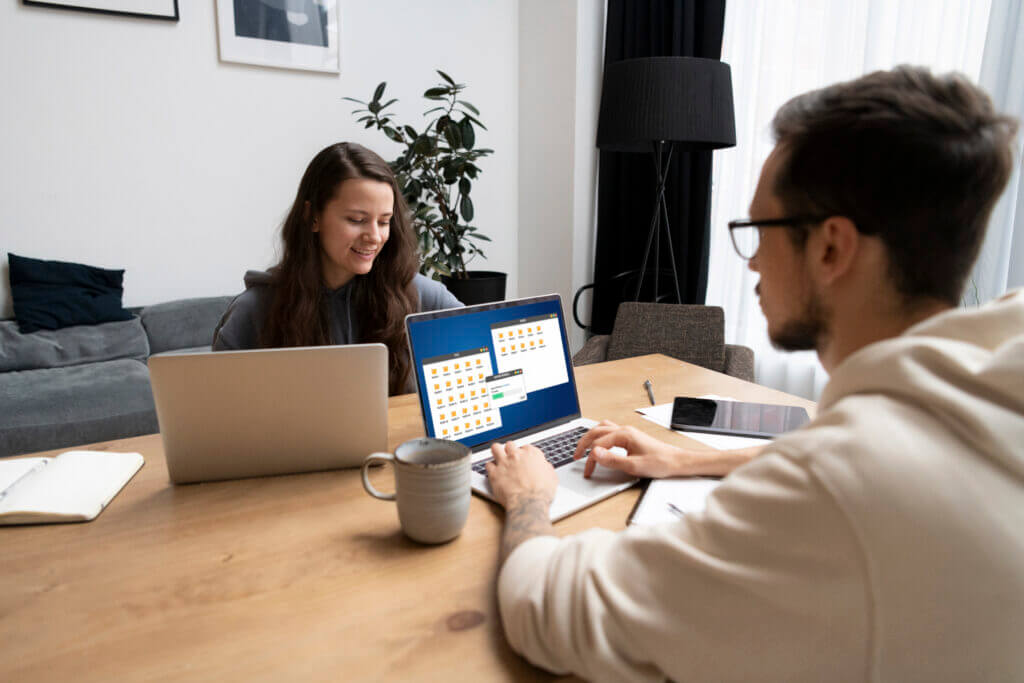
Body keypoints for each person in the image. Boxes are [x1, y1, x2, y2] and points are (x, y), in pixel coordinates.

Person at [486, 66, 1024, 681]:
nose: (751, 265)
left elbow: (548, 609)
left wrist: (528, 498)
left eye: (757, 230)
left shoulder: (830, 495)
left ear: (831, 248)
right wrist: (683, 460)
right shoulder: (998, 367)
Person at [213, 142, 462, 395]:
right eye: (357, 220)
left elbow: (490, 363)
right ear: (313, 216)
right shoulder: (254, 310)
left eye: (384, 221)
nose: (374, 236)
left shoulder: (423, 297)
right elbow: (216, 412)